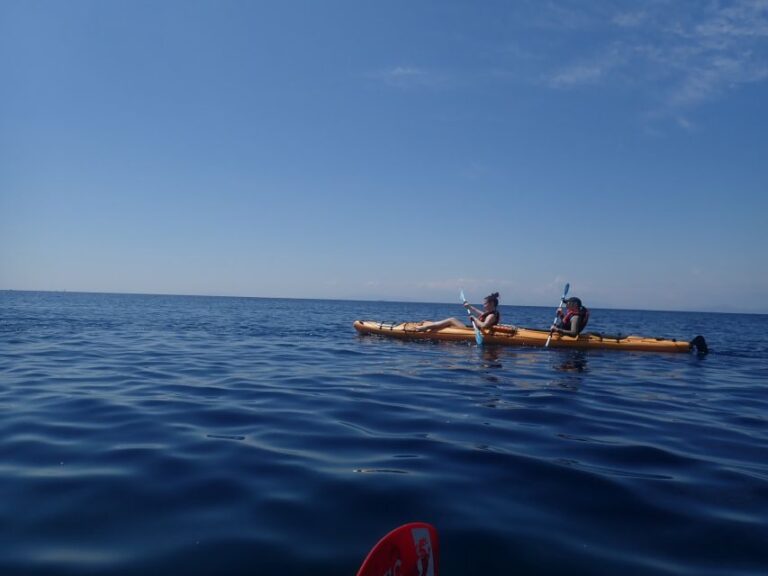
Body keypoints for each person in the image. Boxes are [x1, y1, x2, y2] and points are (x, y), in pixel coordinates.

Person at [416, 292, 501, 332]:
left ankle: (427, 327)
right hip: (472, 329)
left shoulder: (491, 316)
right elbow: (478, 312)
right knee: (450, 322)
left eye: (485, 303)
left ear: (491, 304)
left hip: (472, 331)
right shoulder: (490, 313)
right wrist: (469, 306)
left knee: (452, 320)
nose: (483, 305)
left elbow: (484, 325)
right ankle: (430, 323)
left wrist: (474, 319)